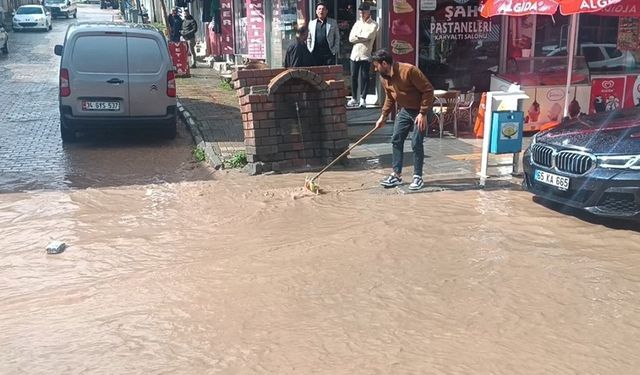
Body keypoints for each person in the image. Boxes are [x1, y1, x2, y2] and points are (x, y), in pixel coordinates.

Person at [373, 49, 434, 191]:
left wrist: (423, 112)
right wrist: (383, 116)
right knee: (396, 139)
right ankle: (396, 174)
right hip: (405, 111)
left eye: (377, 66)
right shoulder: (384, 77)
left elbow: (428, 90)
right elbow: (390, 96)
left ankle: (418, 177)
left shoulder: (409, 70)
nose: (375, 69)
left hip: (420, 111)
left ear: (384, 63)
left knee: (416, 142)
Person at [347, 3, 378, 108]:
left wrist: (358, 37)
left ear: (368, 11)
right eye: (360, 11)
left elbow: (369, 35)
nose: (361, 13)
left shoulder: (373, 24)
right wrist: (362, 38)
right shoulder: (357, 23)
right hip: (354, 54)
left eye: (363, 11)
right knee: (353, 76)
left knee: (365, 77)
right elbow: (351, 38)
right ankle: (354, 98)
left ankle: (363, 98)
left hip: (365, 54)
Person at [307, 2, 339, 66]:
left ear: (326, 11)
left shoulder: (333, 22)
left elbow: (337, 37)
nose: (321, 11)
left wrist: (335, 49)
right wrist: (310, 49)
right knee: (316, 73)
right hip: (315, 54)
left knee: (329, 74)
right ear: (316, 11)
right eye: (319, 9)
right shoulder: (311, 23)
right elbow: (309, 38)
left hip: (329, 53)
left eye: (323, 9)